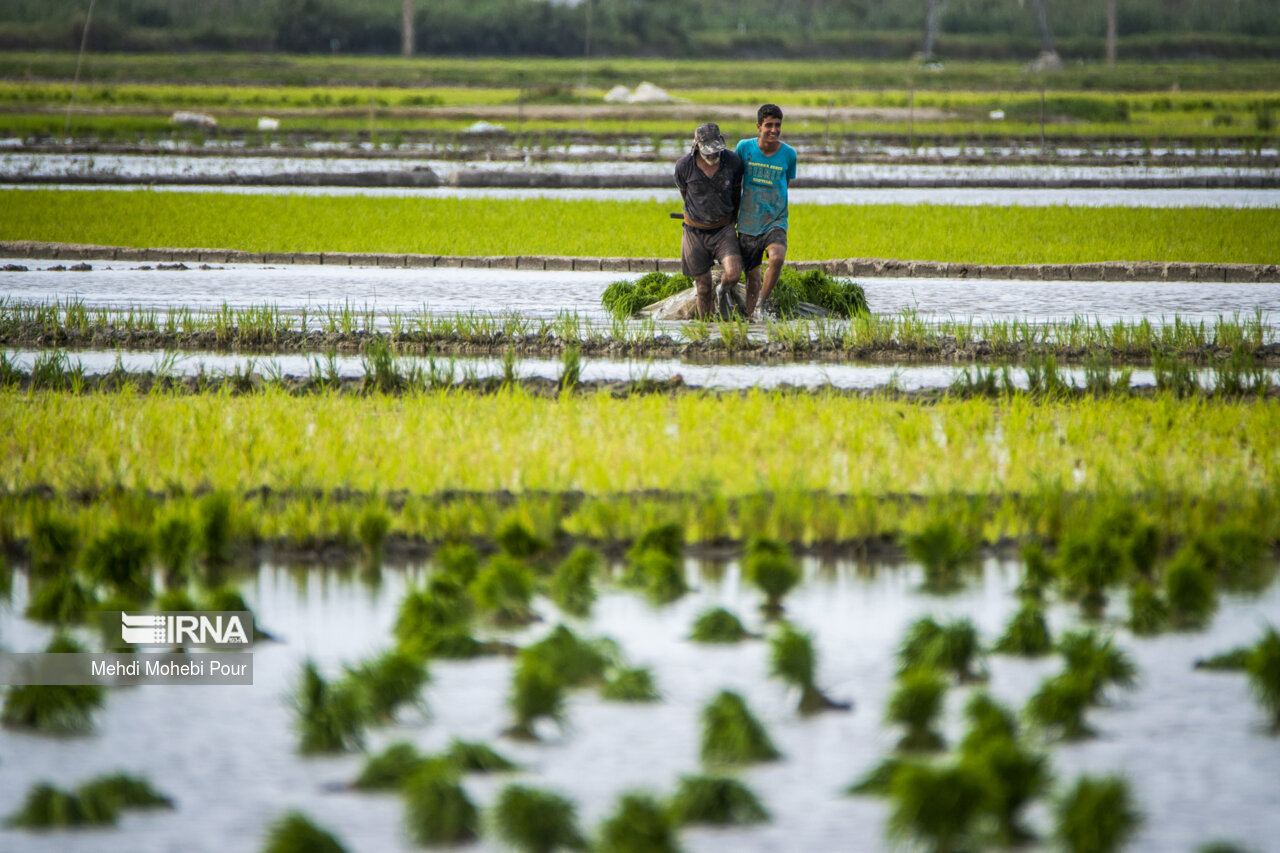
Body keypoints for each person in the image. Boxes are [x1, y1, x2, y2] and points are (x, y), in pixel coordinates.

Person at [674, 122, 744, 317]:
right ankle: (706, 331)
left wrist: (732, 217)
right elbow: (685, 194)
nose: (712, 156)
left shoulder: (733, 162)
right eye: (708, 152)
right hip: (694, 233)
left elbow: (737, 192)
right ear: (697, 146)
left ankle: (721, 291)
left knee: (733, 274)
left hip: (723, 229)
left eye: (715, 152)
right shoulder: (684, 166)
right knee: (703, 288)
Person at [735, 104, 797, 320]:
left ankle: (762, 303)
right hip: (748, 223)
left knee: (777, 258)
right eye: (768, 125)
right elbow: (734, 180)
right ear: (758, 126)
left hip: (776, 220)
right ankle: (753, 319)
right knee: (752, 277)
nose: (774, 130)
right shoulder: (744, 148)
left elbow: (784, 184)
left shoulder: (789, 154)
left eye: (777, 125)